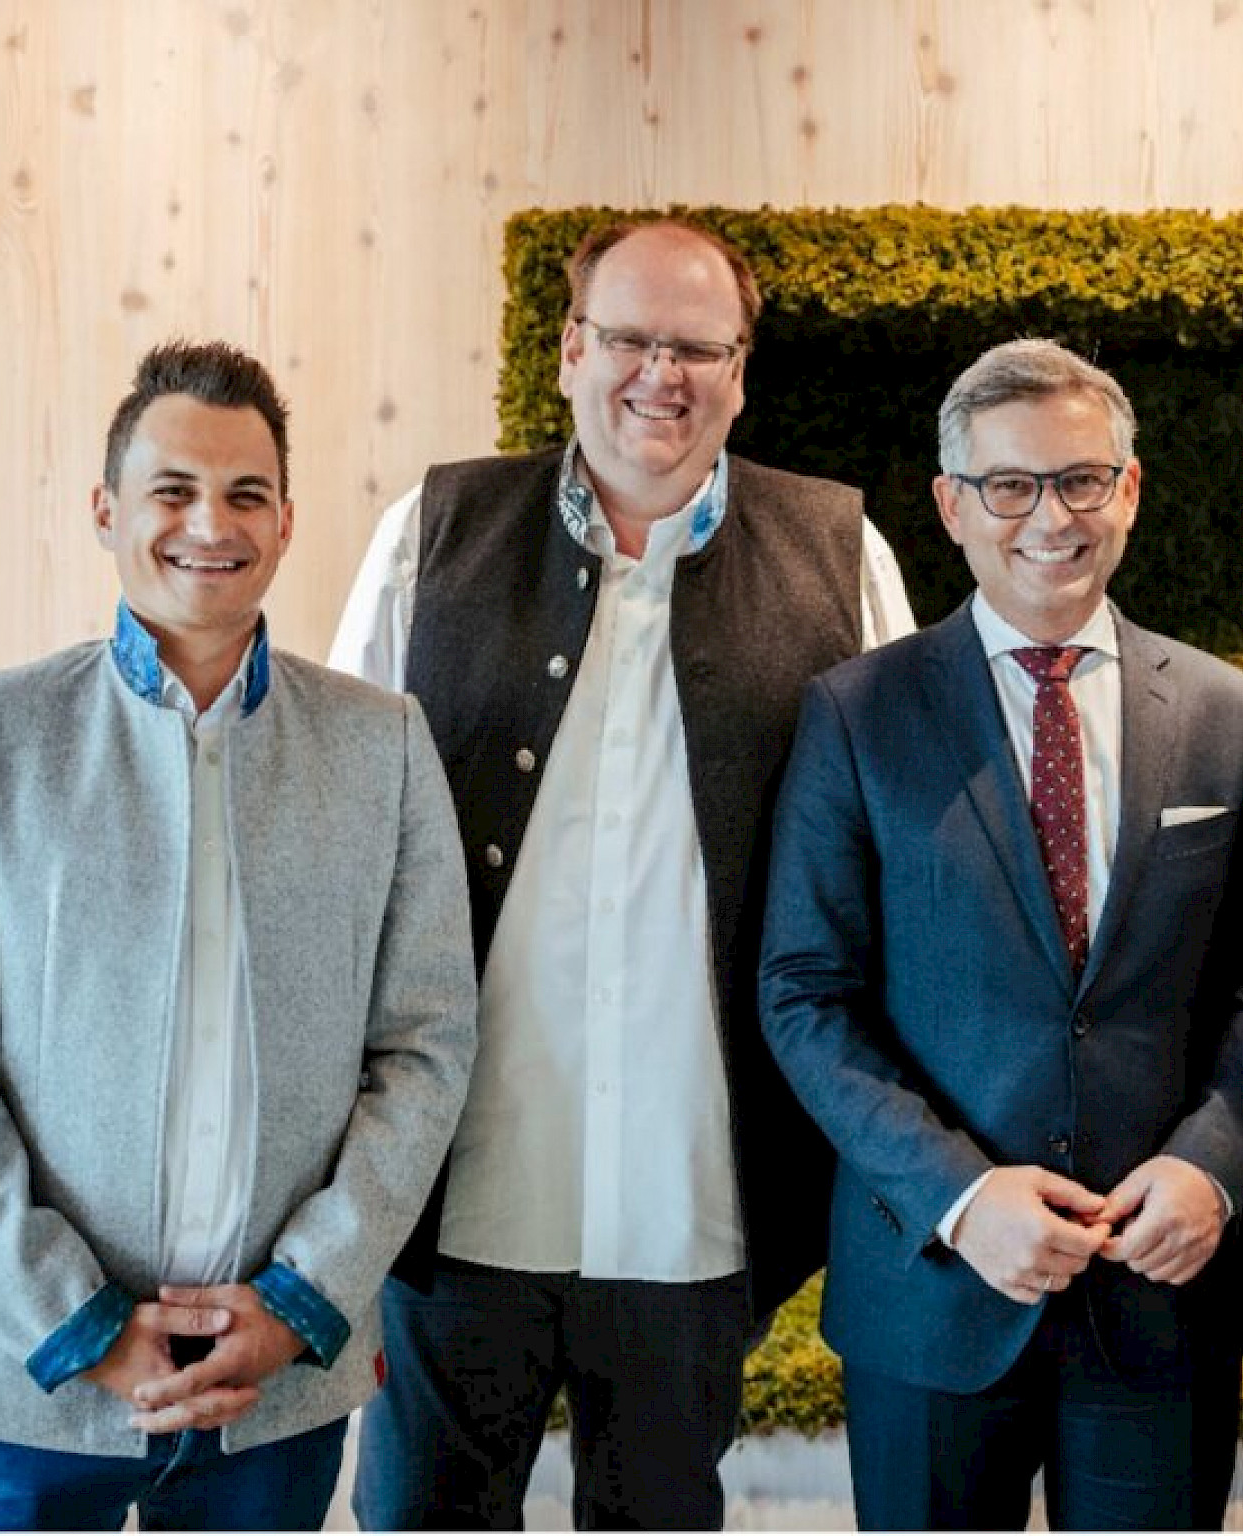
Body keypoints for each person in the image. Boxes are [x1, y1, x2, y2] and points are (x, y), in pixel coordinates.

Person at [329, 217, 916, 1530]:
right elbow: (338, 841)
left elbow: (899, 873)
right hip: (459, 1190)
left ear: (741, 370)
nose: (665, 373)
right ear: (571, 351)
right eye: (633, 339)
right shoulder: (432, 531)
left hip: (695, 1202)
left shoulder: (844, 557)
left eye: (700, 346)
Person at [0, 340, 478, 1531]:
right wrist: (76, 1325)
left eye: (246, 494)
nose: (212, 522)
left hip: (272, 1392)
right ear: (107, 511)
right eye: (173, 491)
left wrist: (302, 1298)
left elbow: (426, 1049)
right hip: (27, 1389)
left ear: (286, 523)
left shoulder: (382, 747)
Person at [759, 338, 1243, 1530]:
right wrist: (960, 1198)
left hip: (1156, 1292)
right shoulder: (855, 713)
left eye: (1078, 479)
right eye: (1008, 486)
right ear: (951, 507)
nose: (1046, 517)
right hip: (929, 1291)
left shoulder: (1226, 715)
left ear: (1127, 489)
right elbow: (806, 995)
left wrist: (1211, 1161)